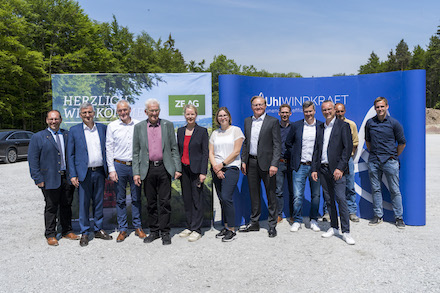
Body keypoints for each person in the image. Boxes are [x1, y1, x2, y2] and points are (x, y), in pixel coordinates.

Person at [132, 99, 182, 245]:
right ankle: (154, 231)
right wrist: (136, 172)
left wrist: (177, 168)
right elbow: (135, 152)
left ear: (159, 111)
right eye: (151, 110)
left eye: (156, 110)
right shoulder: (139, 127)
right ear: (146, 112)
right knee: (151, 202)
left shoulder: (167, 125)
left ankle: (165, 232)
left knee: (165, 202)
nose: (154, 113)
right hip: (146, 170)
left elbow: (174, 148)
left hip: (163, 168)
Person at [28, 110, 80, 246]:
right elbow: (33, 160)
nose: (53, 122)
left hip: (66, 177)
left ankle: (66, 230)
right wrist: (37, 178)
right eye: (51, 119)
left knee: (66, 205)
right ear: (46, 120)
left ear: (61, 120)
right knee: (51, 207)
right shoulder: (38, 137)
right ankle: (50, 234)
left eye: (56, 119)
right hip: (49, 178)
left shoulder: (67, 135)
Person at [67, 102, 112, 247]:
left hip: (99, 171)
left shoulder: (102, 129)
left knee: (99, 202)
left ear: (94, 113)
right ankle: (85, 232)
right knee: (84, 204)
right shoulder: (74, 131)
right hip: (83, 174)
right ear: (80, 115)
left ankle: (98, 229)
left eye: (90, 112)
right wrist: (73, 175)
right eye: (84, 113)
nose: (87, 115)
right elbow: (70, 155)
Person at [311, 100, 355, 245]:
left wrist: (340, 168)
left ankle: (346, 231)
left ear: (334, 110)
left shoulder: (344, 126)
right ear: (321, 111)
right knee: (328, 200)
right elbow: (317, 149)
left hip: (337, 171)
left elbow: (347, 149)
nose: (327, 112)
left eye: (329, 109)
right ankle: (334, 227)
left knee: (341, 199)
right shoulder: (320, 127)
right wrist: (315, 169)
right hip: (323, 169)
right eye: (324, 110)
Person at [240, 96, 281, 238]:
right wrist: (243, 160)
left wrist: (274, 164)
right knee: (254, 195)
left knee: (271, 195)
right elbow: (246, 143)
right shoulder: (247, 121)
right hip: (251, 163)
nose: (258, 107)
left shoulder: (273, 121)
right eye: (255, 105)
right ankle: (254, 223)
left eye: (260, 105)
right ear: (251, 106)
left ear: (265, 106)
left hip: (268, 164)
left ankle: (272, 225)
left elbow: (277, 145)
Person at [106, 100, 146, 242]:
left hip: (135, 166)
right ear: (117, 112)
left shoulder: (138, 124)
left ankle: (138, 226)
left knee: (136, 198)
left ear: (130, 110)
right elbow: (109, 148)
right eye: (120, 111)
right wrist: (111, 169)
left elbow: (143, 147)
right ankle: (122, 229)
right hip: (119, 166)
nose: (123, 113)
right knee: (120, 199)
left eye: (125, 110)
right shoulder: (112, 126)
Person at [365, 97, 406, 229]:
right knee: (376, 189)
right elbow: (368, 142)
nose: (380, 109)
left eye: (382, 106)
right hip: (374, 161)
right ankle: (378, 216)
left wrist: (393, 156)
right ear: (374, 108)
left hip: (390, 161)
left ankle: (399, 218)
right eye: (377, 107)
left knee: (394, 190)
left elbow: (402, 143)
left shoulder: (394, 123)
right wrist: (375, 154)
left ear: (387, 107)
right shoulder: (370, 123)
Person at [285, 101, 322, 233]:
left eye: (310, 111)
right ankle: (297, 220)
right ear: (303, 112)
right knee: (297, 195)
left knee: (316, 195)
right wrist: (295, 155)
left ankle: (313, 220)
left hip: (315, 167)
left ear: (314, 111)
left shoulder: (321, 126)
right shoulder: (296, 125)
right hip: (299, 166)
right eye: (306, 112)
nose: (308, 114)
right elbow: (288, 143)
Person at [209, 107, 244, 242]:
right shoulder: (215, 134)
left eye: (224, 115)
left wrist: (221, 165)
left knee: (226, 197)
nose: (222, 117)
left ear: (229, 117)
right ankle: (225, 226)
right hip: (217, 169)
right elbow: (211, 153)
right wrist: (216, 168)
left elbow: (236, 152)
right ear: (217, 118)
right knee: (221, 199)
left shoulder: (236, 131)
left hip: (231, 168)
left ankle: (231, 229)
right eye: (220, 116)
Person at [177, 104, 209, 242]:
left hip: (196, 171)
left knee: (197, 200)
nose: (190, 116)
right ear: (185, 115)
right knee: (187, 199)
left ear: (196, 115)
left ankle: (197, 229)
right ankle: (189, 226)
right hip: (184, 170)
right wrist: (177, 169)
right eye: (188, 114)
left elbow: (205, 153)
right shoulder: (180, 131)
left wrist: (203, 172)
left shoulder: (202, 131)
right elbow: (177, 152)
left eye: (192, 114)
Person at [335, 103, 360, 222]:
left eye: (341, 111)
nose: (339, 114)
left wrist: (347, 157)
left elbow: (355, 143)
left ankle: (352, 211)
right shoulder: (330, 124)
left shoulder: (351, 124)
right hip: (333, 160)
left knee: (349, 185)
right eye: (337, 111)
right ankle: (328, 212)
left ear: (344, 111)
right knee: (330, 187)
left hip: (347, 160)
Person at [275, 104, 294, 223]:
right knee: (278, 190)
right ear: (279, 113)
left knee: (293, 191)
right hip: (279, 162)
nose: (284, 115)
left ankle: (293, 215)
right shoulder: (275, 127)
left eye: (286, 112)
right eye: (282, 112)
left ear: (290, 114)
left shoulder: (294, 127)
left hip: (292, 163)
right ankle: (279, 214)